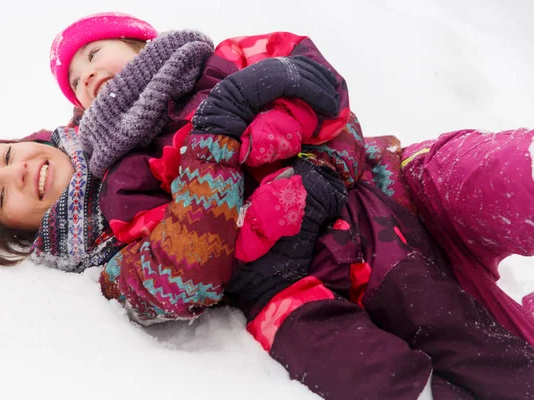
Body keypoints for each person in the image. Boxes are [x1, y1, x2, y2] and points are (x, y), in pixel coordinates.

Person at [47, 12, 534, 399]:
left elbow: (320, 80)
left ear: (137, 42)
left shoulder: (225, 58)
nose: (88, 72)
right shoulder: (126, 176)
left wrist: (289, 124)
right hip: (336, 268)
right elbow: (186, 255)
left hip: (394, 184)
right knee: (487, 355)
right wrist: (241, 207)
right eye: (76, 79)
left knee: (516, 175)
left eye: (93, 52)